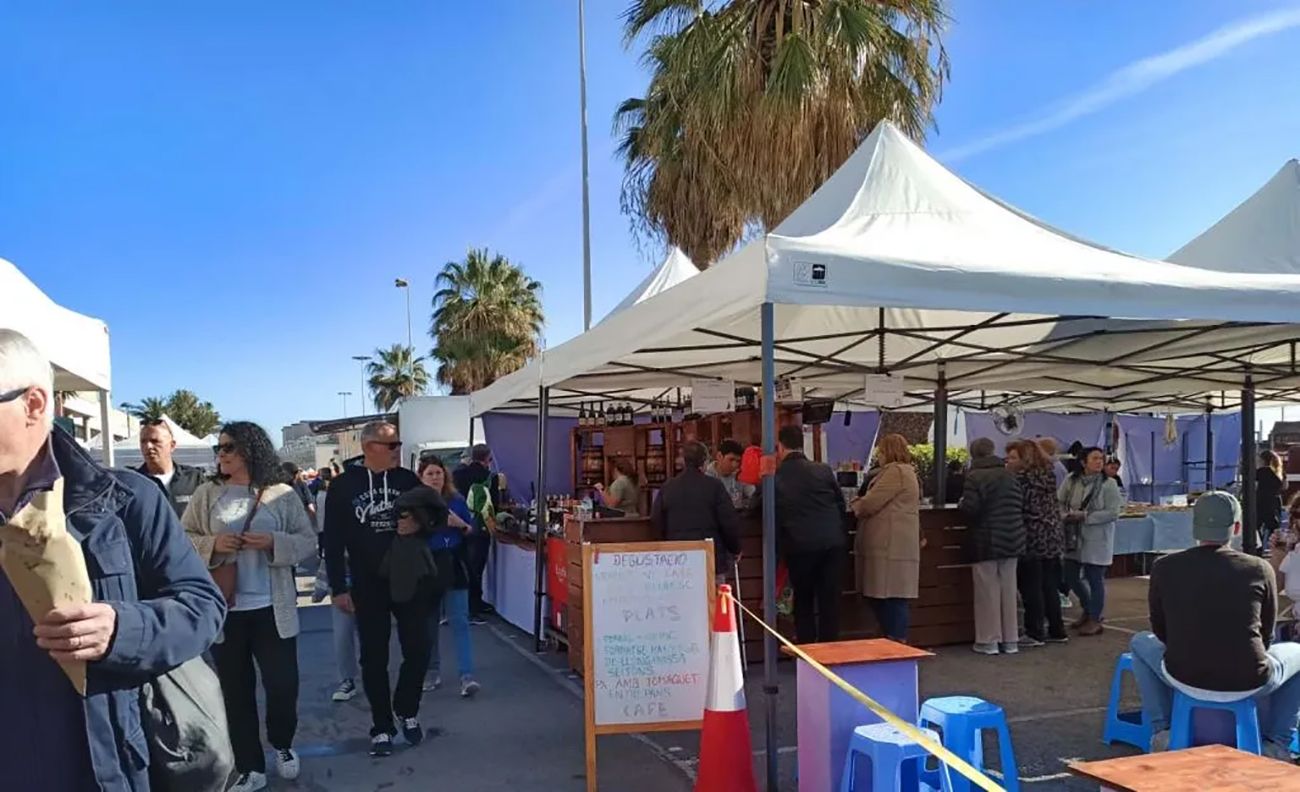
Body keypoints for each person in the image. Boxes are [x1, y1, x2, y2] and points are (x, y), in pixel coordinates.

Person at [0, 329, 227, 791]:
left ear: (34, 405)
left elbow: (204, 606)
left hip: (109, 767)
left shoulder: (125, 500)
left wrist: (122, 630)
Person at [183, 422, 317, 792]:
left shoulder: (281, 494)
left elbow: (308, 544)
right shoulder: (207, 494)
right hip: (226, 611)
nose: (221, 454)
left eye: (228, 447)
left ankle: (283, 744)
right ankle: (250, 766)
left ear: (249, 450)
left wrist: (273, 542)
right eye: (219, 448)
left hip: (272, 608)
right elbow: (183, 540)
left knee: (282, 685)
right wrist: (214, 544)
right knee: (235, 692)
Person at [1129, 492, 1300, 760]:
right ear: (1237, 528)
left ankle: (1162, 731)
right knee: (1298, 655)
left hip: (1181, 673)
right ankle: (1278, 743)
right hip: (1249, 677)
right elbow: (1266, 634)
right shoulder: (1259, 568)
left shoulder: (1163, 567)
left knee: (1139, 641)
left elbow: (1160, 630)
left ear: (1193, 526)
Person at [324, 420, 428, 757]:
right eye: (392, 445)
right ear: (369, 447)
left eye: (398, 444)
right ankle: (381, 726)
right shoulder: (343, 486)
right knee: (374, 657)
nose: (398, 449)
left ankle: (406, 708)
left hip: (408, 578)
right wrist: (338, 586)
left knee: (419, 648)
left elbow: (434, 518)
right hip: (367, 583)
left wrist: (417, 524)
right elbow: (333, 539)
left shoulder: (407, 480)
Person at [774, 425, 847, 644]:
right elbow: (841, 504)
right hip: (832, 543)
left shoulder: (777, 475)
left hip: (800, 545)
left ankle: (808, 653)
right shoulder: (823, 470)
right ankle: (830, 651)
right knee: (829, 601)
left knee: (803, 600)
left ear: (780, 447)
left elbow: (758, 507)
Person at [417, 455, 480, 698]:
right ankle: (432, 672)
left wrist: (458, 523)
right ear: (421, 477)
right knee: (428, 624)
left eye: (438, 473)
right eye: (430, 474)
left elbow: (471, 529)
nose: (435, 478)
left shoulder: (456, 500)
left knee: (460, 622)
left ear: (445, 476)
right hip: (427, 566)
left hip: (453, 563)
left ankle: (467, 676)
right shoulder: (415, 503)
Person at [850, 434, 921, 642]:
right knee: (889, 597)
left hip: (889, 547)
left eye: (880, 451)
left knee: (889, 598)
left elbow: (868, 505)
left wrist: (856, 502)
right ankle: (894, 641)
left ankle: (896, 642)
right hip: (894, 546)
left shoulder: (895, 472)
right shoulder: (906, 472)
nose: (878, 455)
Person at [960, 437, 1027, 655]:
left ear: (974, 454)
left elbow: (971, 509)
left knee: (987, 590)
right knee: (1008, 589)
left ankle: (988, 641)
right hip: (1013, 537)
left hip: (986, 539)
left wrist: (962, 504)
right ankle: (1011, 640)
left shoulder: (974, 476)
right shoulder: (1010, 475)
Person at [652, 440, 742, 581]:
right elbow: (728, 522)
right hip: (711, 558)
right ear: (705, 462)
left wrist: (666, 549)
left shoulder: (668, 487)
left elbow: (657, 522)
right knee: (712, 599)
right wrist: (735, 548)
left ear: (684, 461)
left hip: (678, 560)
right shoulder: (714, 487)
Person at [1008, 439, 1068, 646]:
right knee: (1049, 586)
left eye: (1013, 457)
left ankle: (1034, 632)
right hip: (1051, 536)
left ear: (1025, 458)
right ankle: (1057, 629)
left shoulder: (1021, 480)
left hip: (1031, 537)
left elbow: (1020, 508)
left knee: (1031, 587)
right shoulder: (1048, 475)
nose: (1009, 461)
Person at [1059, 446, 1122, 637]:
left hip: (1097, 537)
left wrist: (1086, 516)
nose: (1099, 462)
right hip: (1073, 536)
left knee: (1095, 578)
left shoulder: (1108, 484)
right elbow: (1059, 500)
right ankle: (1088, 609)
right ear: (1083, 462)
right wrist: (1064, 515)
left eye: (1101, 459)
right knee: (1069, 575)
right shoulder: (1071, 480)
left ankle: (1095, 618)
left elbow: (1113, 512)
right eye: (1094, 458)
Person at [311, 466, 360, 702]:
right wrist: (330, 587)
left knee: (373, 638)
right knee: (343, 636)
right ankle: (347, 679)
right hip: (343, 584)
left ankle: (371, 678)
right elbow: (330, 553)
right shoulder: (336, 517)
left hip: (372, 585)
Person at [453, 443, 499, 622]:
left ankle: (463, 604)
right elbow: (494, 506)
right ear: (488, 459)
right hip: (480, 528)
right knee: (477, 568)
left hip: (460, 525)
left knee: (463, 566)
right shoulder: (490, 477)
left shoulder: (457, 474)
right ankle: (474, 605)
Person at [134, 417, 206, 517]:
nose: (148, 446)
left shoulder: (194, 479)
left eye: (155, 441)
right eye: (143, 441)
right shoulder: (134, 482)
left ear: (172, 445)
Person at [707, 439, 756, 510]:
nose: (734, 465)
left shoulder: (739, 475)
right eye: (731, 460)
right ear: (719, 456)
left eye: (738, 461)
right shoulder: (706, 477)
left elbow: (752, 494)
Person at [1258, 450, 1285, 552]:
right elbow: (1285, 486)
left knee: (1256, 527)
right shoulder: (1278, 472)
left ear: (1263, 460)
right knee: (1274, 527)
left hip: (1261, 502)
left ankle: (1258, 550)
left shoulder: (1261, 472)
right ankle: (1277, 549)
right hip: (1274, 501)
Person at [280, 461, 317, 525]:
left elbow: (307, 494)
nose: (298, 475)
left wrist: (310, 503)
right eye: (296, 473)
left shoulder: (300, 482)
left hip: (302, 513)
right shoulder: (281, 487)